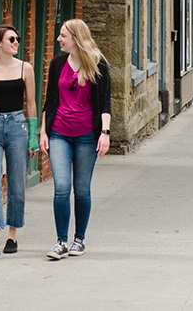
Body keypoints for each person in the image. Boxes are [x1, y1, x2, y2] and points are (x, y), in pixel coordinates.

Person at [39, 18, 111, 260]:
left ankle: (79, 239)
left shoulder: (97, 63)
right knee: (61, 187)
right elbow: (50, 100)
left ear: (76, 39)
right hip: (59, 131)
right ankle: (60, 241)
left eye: (63, 36)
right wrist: (43, 131)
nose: (59, 39)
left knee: (81, 189)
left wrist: (105, 133)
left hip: (86, 136)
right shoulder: (58, 63)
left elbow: (105, 103)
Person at [0, 24, 39, 257]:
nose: (16, 42)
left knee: (17, 186)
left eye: (17, 39)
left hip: (18, 127)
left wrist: (33, 138)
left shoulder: (25, 68)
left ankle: (12, 235)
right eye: (11, 39)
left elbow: (31, 104)